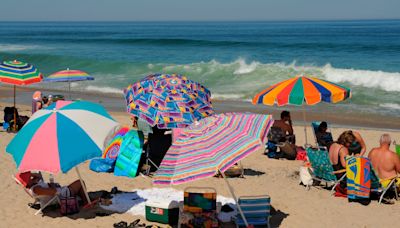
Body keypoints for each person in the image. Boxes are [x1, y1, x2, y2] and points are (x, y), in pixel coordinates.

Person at [20, 171, 90, 207]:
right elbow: (54, 192)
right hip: (61, 195)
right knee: (80, 182)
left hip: (58, 193)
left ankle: (81, 196)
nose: (31, 177)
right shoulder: (37, 189)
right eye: (30, 177)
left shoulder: (30, 187)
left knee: (76, 187)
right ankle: (86, 202)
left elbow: (38, 176)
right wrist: (52, 185)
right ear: (28, 181)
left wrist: (32, 175)